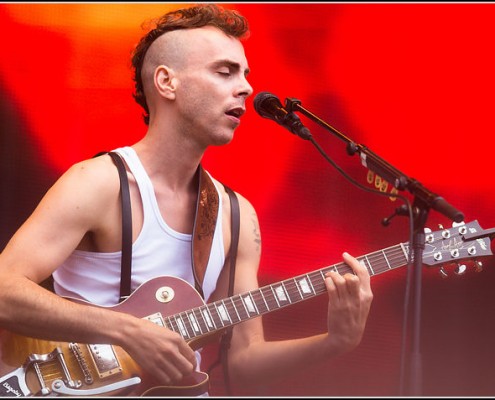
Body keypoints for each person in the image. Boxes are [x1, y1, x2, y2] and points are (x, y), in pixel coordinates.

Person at [0, 3, 373, 396]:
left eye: (245, 74)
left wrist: (334, 343)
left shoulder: (237, 216)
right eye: (225, 71)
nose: (246, 87)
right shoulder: (99, 183)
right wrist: (128, 331)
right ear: (166, 82)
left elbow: (242, 362)